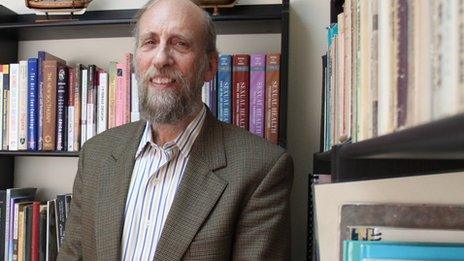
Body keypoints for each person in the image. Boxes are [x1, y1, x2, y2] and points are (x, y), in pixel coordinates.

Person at [58, 0, 293, 259]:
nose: (160, 59)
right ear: (136, 61)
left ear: (210, 66)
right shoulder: (96, 154)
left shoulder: (262, 169)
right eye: (149, 42)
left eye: (180, 43)